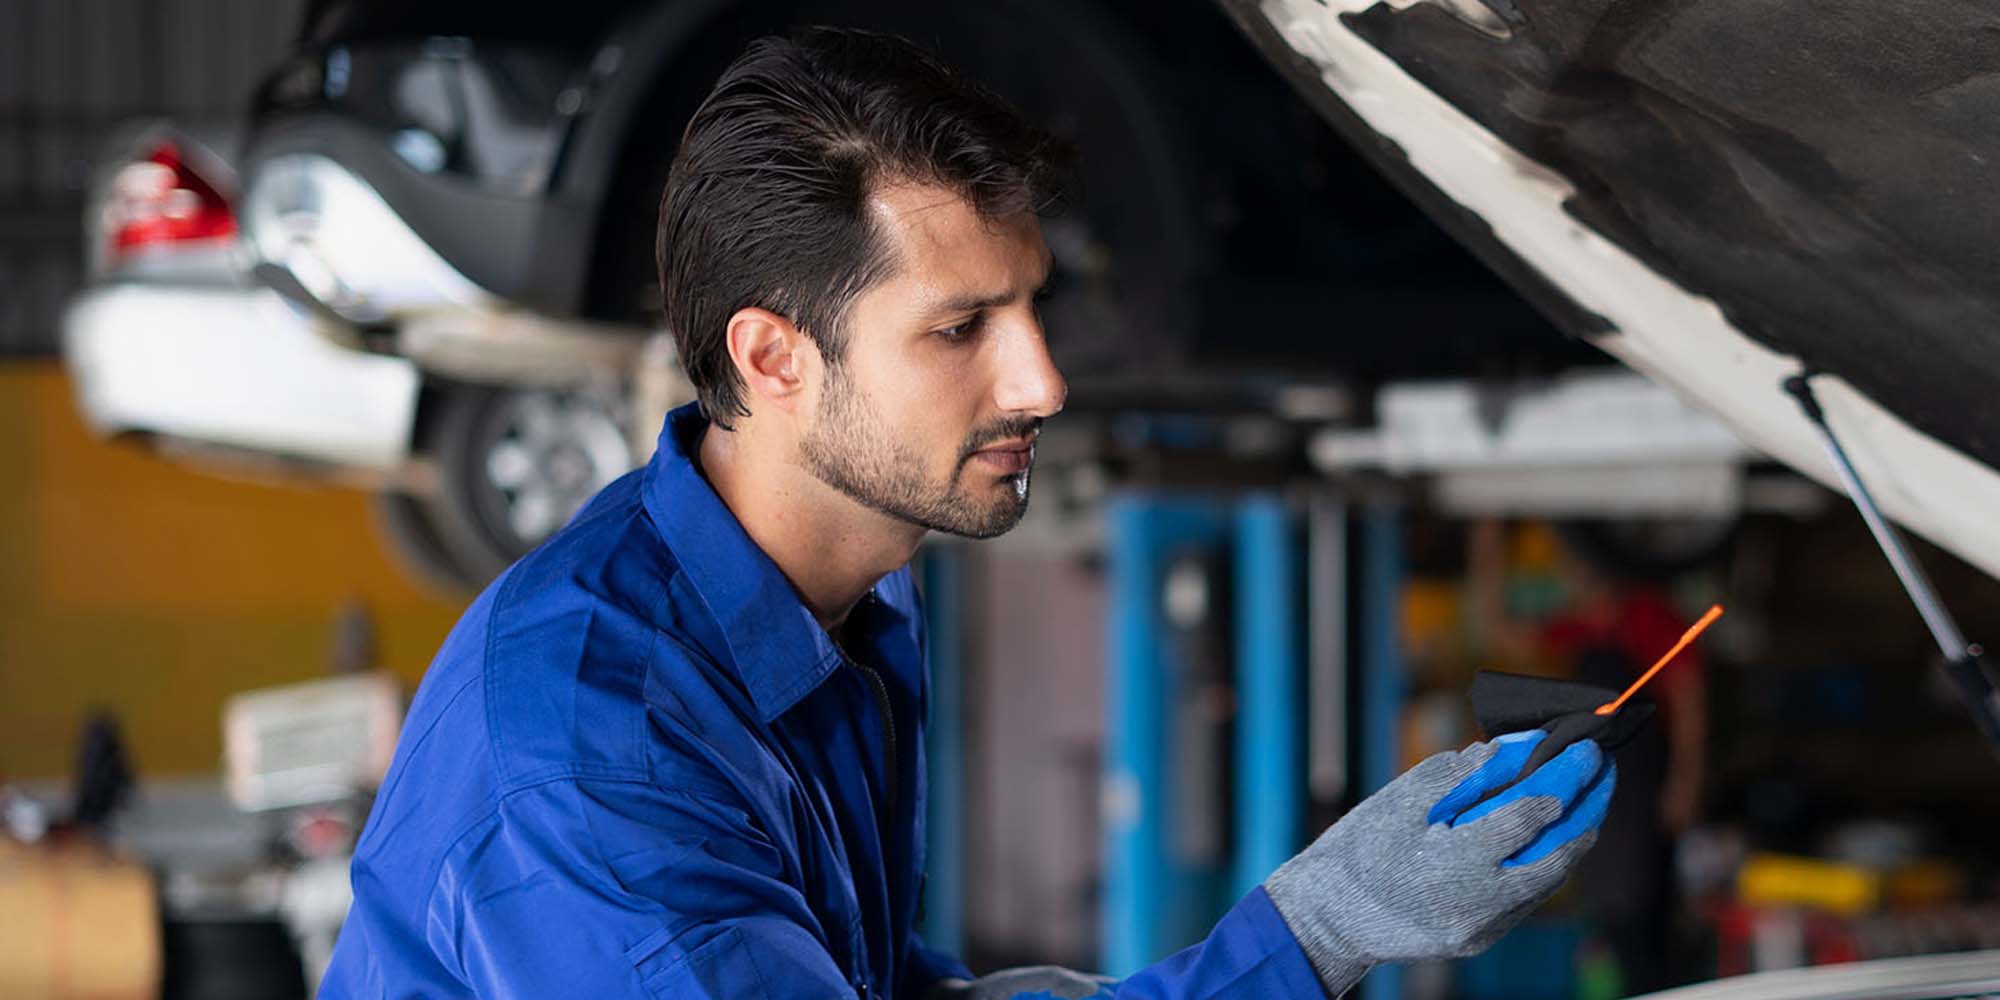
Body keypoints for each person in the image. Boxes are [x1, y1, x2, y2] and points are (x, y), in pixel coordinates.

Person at [317, 29, 1615, 999]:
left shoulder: (834, 608)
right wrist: (1316, 930)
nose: (1042, 379)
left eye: (1032, 304)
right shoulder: (600, 768)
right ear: (774, 360)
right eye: (961, 328)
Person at [1470, 519, 1708, 993]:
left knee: (1645, 919)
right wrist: (1487, 542)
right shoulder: (1577, 630)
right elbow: (1498, 628)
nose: (1572, 578)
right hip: (1601, 799)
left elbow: (1689, 703)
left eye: (1578, 568)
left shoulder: (1651, 619)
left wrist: (1685, 782)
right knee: (1612, 918)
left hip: (1644, 795)